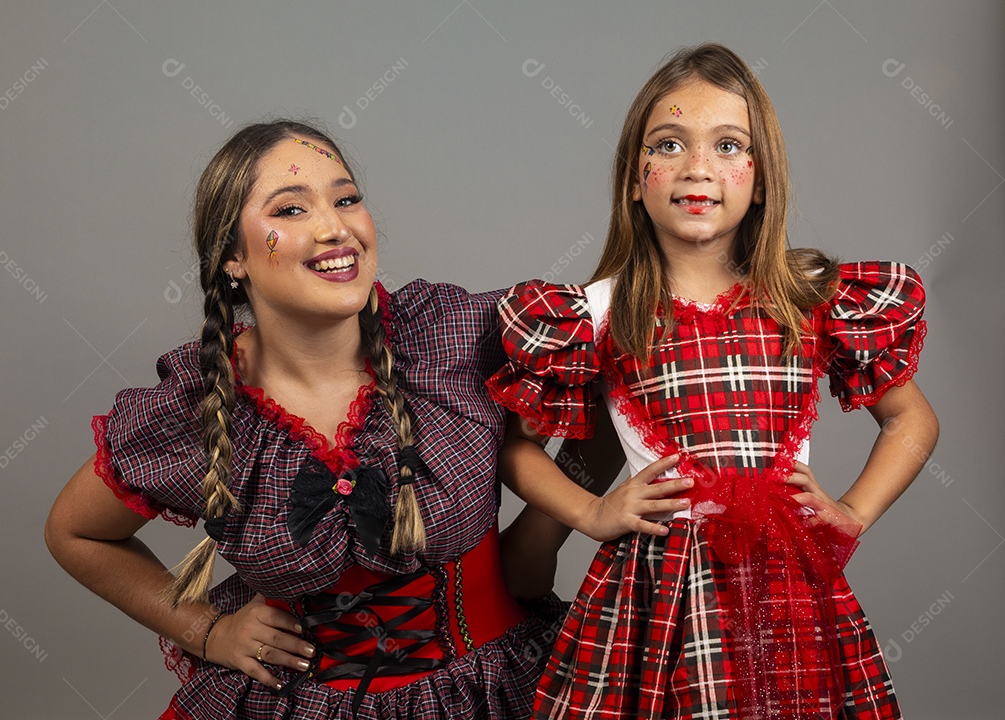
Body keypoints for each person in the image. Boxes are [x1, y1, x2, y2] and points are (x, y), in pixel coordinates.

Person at [45, 120, 563, 719]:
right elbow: (74, 533)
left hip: (493, 694)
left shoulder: (452, 340)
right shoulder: (200, 407)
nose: (334, 227)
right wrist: (207, 632)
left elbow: (629, 335)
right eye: (291, 210)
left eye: (346, 199)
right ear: (233, 257)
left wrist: (557, 520)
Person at [486, 43, 938, 719]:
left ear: (762, 177)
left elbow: (912, 422)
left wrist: (851, 515)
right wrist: (591, 512)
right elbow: (518, 449)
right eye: (669, 144)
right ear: (635, 177)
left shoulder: (809, 297)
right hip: (655, 598)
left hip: (786, 596)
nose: (698, 167)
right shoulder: (597, 314)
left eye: (729, 146)